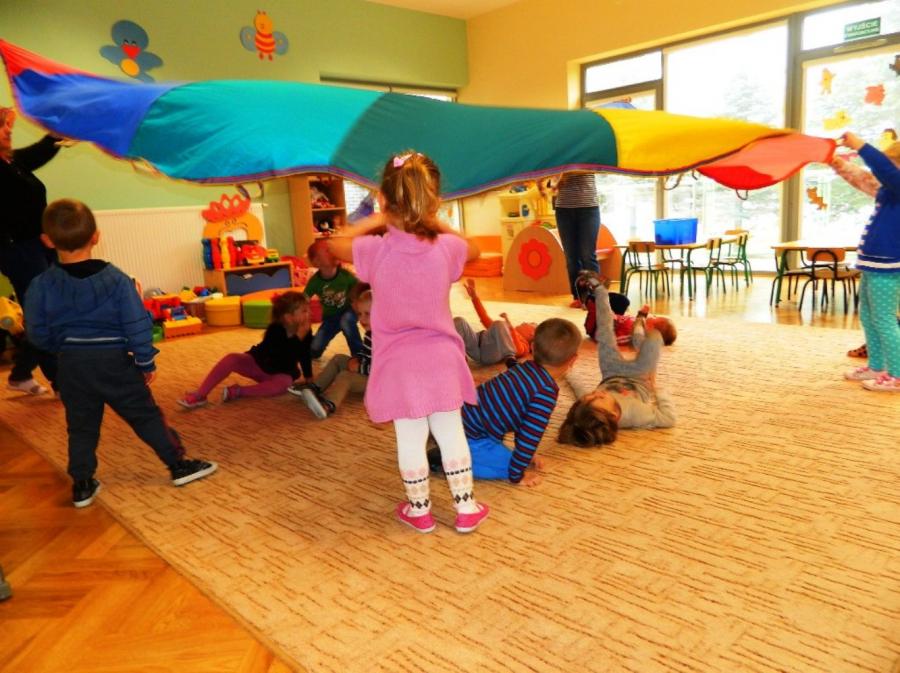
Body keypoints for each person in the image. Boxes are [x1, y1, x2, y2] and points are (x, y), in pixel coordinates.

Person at [328, 150, 489, 534]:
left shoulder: (376, 250)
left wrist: (381, 216)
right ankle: (466, 508)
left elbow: (336, 245)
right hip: (442, 359)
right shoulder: (446, 247)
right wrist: (432, 218)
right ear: (434, 201)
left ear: (384, 198)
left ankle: (420, 511)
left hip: (399, 364)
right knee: (451, 433)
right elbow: (475, 249)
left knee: (410, 437)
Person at [24, 199, 217, 507]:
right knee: (145, 415)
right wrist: (145, 361)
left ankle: (82, 483)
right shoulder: (116, 279)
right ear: (96, 236)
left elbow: (36, 331)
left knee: (81, 426)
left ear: (47, 240)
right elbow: (137, 324)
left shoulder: (40, 285)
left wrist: (60, 349)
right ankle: (178, 465)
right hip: (114, 363)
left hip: (71, 365)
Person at [429, 318, 581, 487]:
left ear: (532, 347)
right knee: (507, 466)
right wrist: (517, 475)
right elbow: (529, 435)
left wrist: (527, 456)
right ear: (573, 360)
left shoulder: (524, 367)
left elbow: (522, 423)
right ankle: (449, 460)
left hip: (460, 419)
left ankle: (449, 446)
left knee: (509, 455)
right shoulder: (545, 392)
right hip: (469, 434)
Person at [557, 272, 676, 446]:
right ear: (613, 415)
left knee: (604, 332)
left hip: (611, 373)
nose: (596, 392)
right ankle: (639, 328)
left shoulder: (588, 406)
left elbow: (577, 387)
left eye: (590, 395)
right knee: (655, 337)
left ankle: (600, 290)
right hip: (639, 378)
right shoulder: (634, 414)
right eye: (599, 398)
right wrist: (657, 389)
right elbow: (668, 418)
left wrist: (564, 368)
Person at [0, 106, 63, 395]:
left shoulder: (12, 161)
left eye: (9, 126)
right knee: (45, 314)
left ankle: (21, 373)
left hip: (40, 245)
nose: (9, 131)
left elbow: (41, 151)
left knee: (49, 311)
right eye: (3, 126)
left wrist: (59, 131)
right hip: (18, 252)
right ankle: (62, 382)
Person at [834, 134, 900, 392]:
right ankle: (877, 366)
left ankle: (897, 374)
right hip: (873, 264)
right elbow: (864, 178)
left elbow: (884, 171)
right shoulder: (889, 191)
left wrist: (860, 146)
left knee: (884, 319)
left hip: (888, 266)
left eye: (892, 163)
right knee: (868, 316)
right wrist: (835, 161)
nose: (886, 168)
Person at [178, 291, 312, 408]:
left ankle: (239, 391)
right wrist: (298, 337)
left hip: (280, 373)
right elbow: (279, 355)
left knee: (284, 384)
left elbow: (305, 355)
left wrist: (308, 378)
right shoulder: (275, 329)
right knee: (231, 358)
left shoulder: (306, 332)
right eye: (304, 311)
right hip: (258, 364)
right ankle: (200, 394)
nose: (309, 313)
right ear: (289, 317)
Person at [290, 284, 372, 418]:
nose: (361, 319)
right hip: (365, 369)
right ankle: (314, 388)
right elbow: (366, 352)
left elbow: (384, 369)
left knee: (345, 376)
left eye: (367, 314)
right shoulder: (370, 334)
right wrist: (357, 358)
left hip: (376, 381)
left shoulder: (385, 340)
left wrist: (360, 368)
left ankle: (328, 405)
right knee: (338, 358)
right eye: (359, 314)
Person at [453, 278, 536, 368]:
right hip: (475, 342)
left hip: (490, 353)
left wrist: (510, 327)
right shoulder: (499, 330)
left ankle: (510, 360)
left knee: (500, 324)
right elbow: (484, 317)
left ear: (532, 333)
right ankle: (456, 354)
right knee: (459, 321)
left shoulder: (525, 346)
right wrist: (474, 297)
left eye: (530, 323)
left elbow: (518, 350)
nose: (524, 322)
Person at [304, 238, 363, 359]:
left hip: (348, 311)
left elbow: (360, 289)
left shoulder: (345, 275)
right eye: (328, 250)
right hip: (330, 318)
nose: (334, 252)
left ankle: (359, 355)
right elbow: (303, 299)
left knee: (346, 320)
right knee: (314, 350)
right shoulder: (315, 282)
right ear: (317, 262)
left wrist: (359, 304)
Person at [553, 172, 601, 309]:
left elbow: (594, 168)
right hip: (564, 209)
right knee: (571, 258)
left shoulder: (586, 157)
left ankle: (595, 297)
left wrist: (567, 171)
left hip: (588, 208)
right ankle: (579, 297)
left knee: (588, 256)